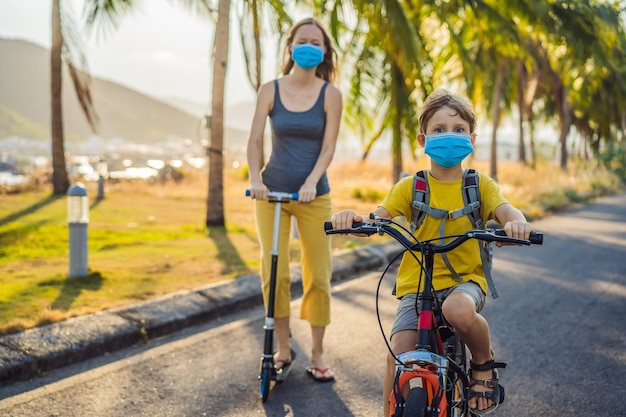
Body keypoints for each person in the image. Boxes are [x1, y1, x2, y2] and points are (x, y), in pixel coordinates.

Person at [331, 89, 532, 415]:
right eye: (438, 130)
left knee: (458, 310)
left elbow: (507, 211)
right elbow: (376, 217)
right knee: (397, 355)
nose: (448, 136)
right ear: (423, 140)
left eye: (458, 129)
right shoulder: (410, 187)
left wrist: (516, 224)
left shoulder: (479, 185)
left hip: (464, 282)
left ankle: (482, 362)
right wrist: (354, 221)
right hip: (417, 286)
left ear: (472, 138)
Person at [246, 17, 342, 383]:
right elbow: (255, 140)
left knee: (319, 273)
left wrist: (311, 182)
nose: (309, 46)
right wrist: (256, 179)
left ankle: (317, 353)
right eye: (302, 40)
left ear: (324, 51)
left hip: (313, 196)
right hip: (270, 193)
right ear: (290, 47)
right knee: (276, 273)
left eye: (315, 42)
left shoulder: (330, 94)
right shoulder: (269, 89)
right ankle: (283, 350)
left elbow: (328, 145)